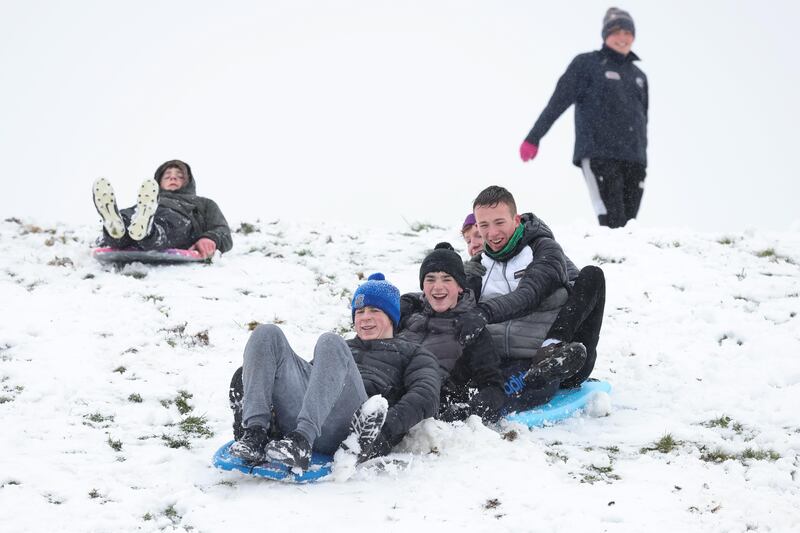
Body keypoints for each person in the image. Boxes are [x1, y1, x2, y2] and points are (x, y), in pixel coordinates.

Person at [228, 273, 441, 470]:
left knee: (330, 341)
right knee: (266, 333)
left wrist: (383, 431)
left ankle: (301, 441)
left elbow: (425, 395)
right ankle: (255, 432)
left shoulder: (413, 352)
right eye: (359, 312)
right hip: (306, 418)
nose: (365, 318)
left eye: (374, 311)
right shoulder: (345, 347)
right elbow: (311, 382)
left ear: (392, 316)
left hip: (351, 429)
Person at [458, 185, 606, 412]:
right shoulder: (478, 266)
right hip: (498, 358)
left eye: (499, 223)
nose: (492, 233)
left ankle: (554, 351)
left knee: (592, 275)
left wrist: (485, 312)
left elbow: (529, 295)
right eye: (484, 225)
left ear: (516, 220)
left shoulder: (544, 250)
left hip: (537, 357)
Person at [519, 7, 648, 229]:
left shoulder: (639, 76)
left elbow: (643, 118)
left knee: (630, 226)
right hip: (599, 153)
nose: (623, 38)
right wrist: (534, 137)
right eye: (616, 31)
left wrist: (642, 154)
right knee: (612, 220)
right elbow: (558, 102)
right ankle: (607, 258)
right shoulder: (587, 64)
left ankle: (621, 262)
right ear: (606, 34)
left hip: (634, 158)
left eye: (627, 32)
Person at [397, 243, 506, 423]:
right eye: (430, 279)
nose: (438, 287)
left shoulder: (471, 329)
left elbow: (493, 389)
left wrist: (464, 412)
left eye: (447, 279)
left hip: (424, 406)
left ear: (460, 287)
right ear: (423, 286)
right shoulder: (409, 317)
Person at [92, 159, 233, 258]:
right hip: (146, 211)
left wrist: (210, 238)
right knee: (128, 217)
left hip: (178, 217)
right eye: (167, 176)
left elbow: (222, 230)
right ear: (158, 182)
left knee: (168, 223)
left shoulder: (203, 203)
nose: (173, 178)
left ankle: (148, 230)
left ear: (189, 181)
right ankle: (115, 228)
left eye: (179, 176)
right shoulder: (146, 202)